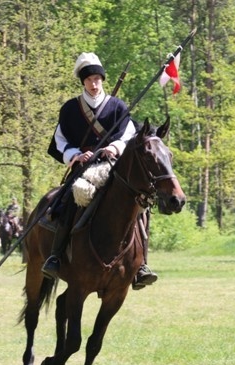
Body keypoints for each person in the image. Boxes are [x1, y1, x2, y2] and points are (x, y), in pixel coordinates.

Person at [41, 52, 157, 289]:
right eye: (89, 80)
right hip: (84, 168)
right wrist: (74, 155)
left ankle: (141, 263)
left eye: (97, 79)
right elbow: (59, 140)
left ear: (102, 79)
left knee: (140, 205)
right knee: (72, 198)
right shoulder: (70, 109)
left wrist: (114, 147)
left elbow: (128, 134)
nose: (94, 84)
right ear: (83, 82)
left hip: (113, 167)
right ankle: (55, 256)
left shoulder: (117, 106)